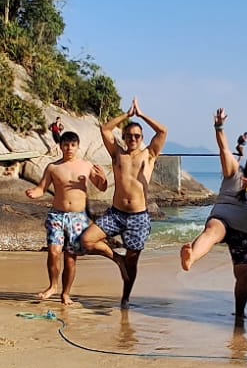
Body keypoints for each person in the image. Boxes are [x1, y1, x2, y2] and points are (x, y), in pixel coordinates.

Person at [179, 109, 247, 318]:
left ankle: (239, 314)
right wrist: (219, 127)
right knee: (212, 232)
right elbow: (225, 149)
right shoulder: (234, 173)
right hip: (223, 220)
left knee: (244, 276)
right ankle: (191, 258)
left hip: (246, 234)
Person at [81, 99, 167, 305]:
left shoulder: (149, 154)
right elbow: (105, 129)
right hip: (116, 213)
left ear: (142, 138)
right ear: (124, 137)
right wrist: (127, 116)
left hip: (138, 216)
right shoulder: (117, 153)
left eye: (137, 136)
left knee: (133, 260)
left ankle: (125, 298)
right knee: (87, 241)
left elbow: (163, 132)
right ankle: (116, 259)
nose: (133, 139)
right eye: (129, 136)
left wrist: (142, 115)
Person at [24, 131, 107, 305]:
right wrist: (34, 193)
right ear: (60, 146)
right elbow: (42, 188)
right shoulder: (53, 167)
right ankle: (53, 286)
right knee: (54, 252)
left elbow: (102, 187)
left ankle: (66, 293)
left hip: (78, 218)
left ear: (77, 146)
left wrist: (103, 178)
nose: (69, 148)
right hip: (57, 215)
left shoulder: (86, 165)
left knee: (70, 257)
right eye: (66, 145)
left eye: (72, 145)